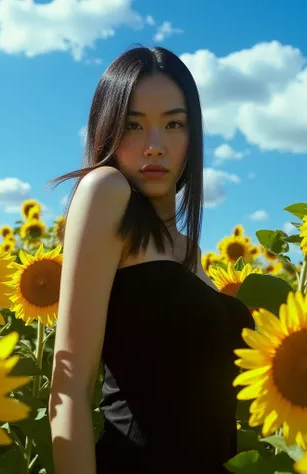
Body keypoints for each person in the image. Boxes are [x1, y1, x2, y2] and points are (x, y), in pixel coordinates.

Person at [48, 45, 254, 474]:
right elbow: (70, 384)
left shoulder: (188, 250)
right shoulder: (107, 191)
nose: (155, 147)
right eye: (133, 126)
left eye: (174, 124)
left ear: (192, 135)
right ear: (106, 131)